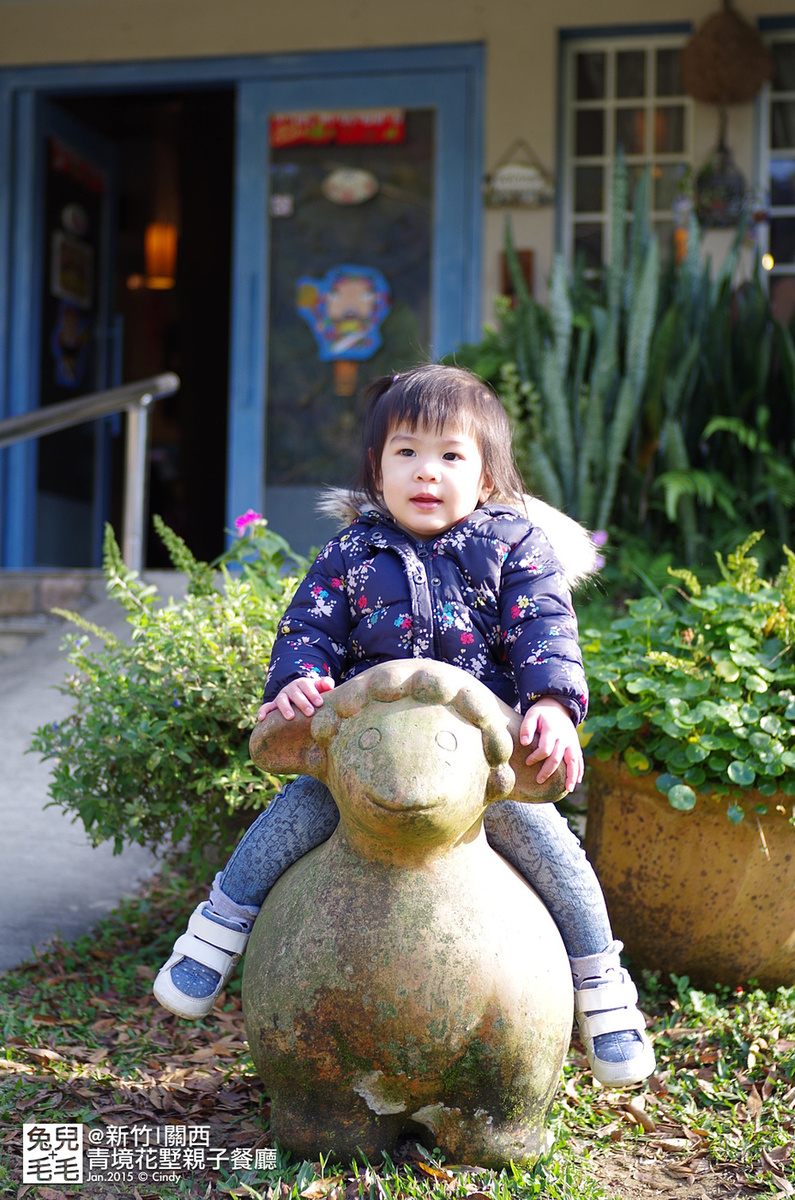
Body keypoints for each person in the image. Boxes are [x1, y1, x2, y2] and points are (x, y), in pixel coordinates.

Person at [154, 364, 655, 1087]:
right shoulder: (351, 553)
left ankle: (601, 989)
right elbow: (308, 627)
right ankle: (216, 932)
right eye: (406, 453)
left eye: (451, 456)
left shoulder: (513, 547)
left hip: (484, 768)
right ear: (376, 471)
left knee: (558, 859)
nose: (427, 472)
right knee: (287, 819)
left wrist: (549, 704)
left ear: (485, 478)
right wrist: (297, 680)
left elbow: (546, 627)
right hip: (366, 758)